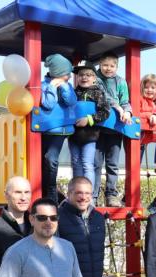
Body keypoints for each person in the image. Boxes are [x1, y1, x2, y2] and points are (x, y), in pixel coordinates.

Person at [94, 52, 133, 207]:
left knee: (113, 164)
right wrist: (118, 108)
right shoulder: (95, 79)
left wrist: (127, 111)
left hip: (115, 129)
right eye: (105, 65)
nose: (108, 68)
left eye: (112, 66)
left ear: (117, 67)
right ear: (100, 65)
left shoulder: (120, 81)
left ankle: (111, 194)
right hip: (98, 128)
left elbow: (125, 101)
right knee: (96, 163)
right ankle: (94, 195)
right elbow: (103, 96)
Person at [40, 54, 77, 202]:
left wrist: (64, 87)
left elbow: (71, 102)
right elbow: (48, 104)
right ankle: (43, 189)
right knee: (42, 160)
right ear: (58, 73)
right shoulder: (43, 86)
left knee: (51, 159)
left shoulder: (68, 86)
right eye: (67, 73)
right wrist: (51, 87)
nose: (69, 76)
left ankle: (51, 190)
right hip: (45, 129)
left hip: (60, 130)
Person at [69, 63, 109, 198]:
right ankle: (77, 193)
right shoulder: (73, 93)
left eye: (88, 75)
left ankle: (88, 195)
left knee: (87, 164)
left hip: (90, 136)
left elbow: (105, 111)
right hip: (73, 135)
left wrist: (89, 119)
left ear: (94, 78)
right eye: (81, 75)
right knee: (76, 163)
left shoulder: (98, 92)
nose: (84, 77)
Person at [137, 73, 156, 165]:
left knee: (139, 158)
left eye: (153, 88)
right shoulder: (139, 98)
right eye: (146, 87)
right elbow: (136, 113)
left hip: (146, 134)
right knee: (135, 158)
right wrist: (149, 115)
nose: (149, 90)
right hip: (137, 133)